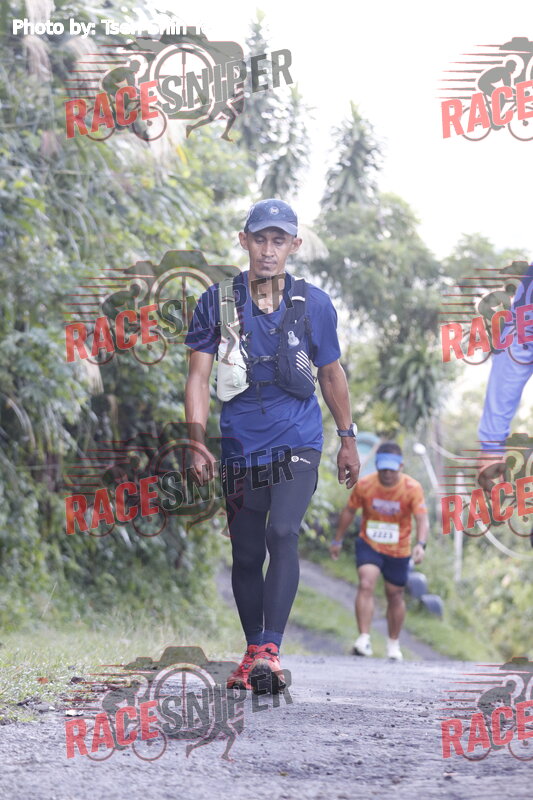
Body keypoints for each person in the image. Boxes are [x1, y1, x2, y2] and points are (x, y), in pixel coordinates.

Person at [184, 199, 360, 693]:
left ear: (294, 246)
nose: (267, 250)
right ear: (244, 241)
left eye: (278, 240)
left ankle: (270, 651)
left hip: (298, 440)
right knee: (245, 552)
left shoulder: (314, 305)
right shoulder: (217, 303)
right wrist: (196, 441)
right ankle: (252, 651)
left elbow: (331, 374)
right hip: (240, 443)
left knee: (282, 532)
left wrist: (347, 438)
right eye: (259, 238)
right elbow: (197, 377)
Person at [330, 442, 428, 661]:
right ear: (377, 466)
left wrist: (420, 544)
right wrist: (337, 540)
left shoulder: (412, 488)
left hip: (399, 549)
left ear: (400, 467)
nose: (387, 474)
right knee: (366, 583)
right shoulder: (365, 485)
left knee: (395, 594)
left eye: (391, 470)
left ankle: (393, 643)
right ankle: (364, 638)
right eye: (383, 469)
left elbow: (422, 518)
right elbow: (349, 511)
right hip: (370, 544)